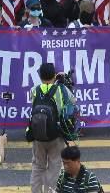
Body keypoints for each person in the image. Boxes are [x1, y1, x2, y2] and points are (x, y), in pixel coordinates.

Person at [28, 62, 75, 193]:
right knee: (55, 166)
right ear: (54, 75)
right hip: (56, 135)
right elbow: (73, 101)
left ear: (40, 76)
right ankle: (51, 191)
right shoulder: (61, 90)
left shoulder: (34, 90)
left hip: (38, 135)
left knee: (38, 166)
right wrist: (63, 83)